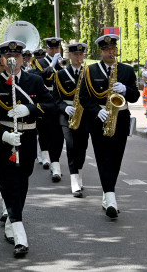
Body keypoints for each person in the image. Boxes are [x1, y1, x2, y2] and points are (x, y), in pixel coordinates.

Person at [0, 40, 55, 257]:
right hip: (2, 139)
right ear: (2, 60)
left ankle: (11, 222)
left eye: (18, 57)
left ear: (24, 59)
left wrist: (29, 109)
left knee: (22, 181)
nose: (13, 60)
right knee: (9, 181)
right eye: (8, 58)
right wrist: (3, 134)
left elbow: (50, 105)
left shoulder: (34, 80)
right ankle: (20, 235)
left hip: (28, 138)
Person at [78, 34, 140, 219]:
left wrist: (126, 90)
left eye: (114, 49)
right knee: (103, 158)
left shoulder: (127, 71)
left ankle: (107, 194)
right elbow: (83, 98)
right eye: (107, 50)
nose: (112, 52)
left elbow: (135, 96)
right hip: (99, 119)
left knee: (116, 159)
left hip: (120, 118)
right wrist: (97, 110)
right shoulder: (90, 71)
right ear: (101, 51)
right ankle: (111, 197)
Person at [52, 42, 89, 196]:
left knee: (82, 147)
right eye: (75, 54)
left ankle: (79, 174)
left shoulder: (88, 73)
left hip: (84, 114)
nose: (78, 57)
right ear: (69, 55)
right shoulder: (60, 74)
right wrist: (64, 107)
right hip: (67, 115)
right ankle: (74, 180)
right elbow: (55, 97)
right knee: (71, 146)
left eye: (81, 54)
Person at [32, 37, 64, 177]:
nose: (54, 50)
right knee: (44, 130)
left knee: (58, 132)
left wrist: (61, 65)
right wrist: (52, 64)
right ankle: (45, 156)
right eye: (51, 48)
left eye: (56, 48)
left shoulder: (63, 61)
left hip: (59, 99)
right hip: (46, 98)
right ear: (47, 49)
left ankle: (54, 161)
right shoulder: (40, 62)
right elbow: (43, 77)